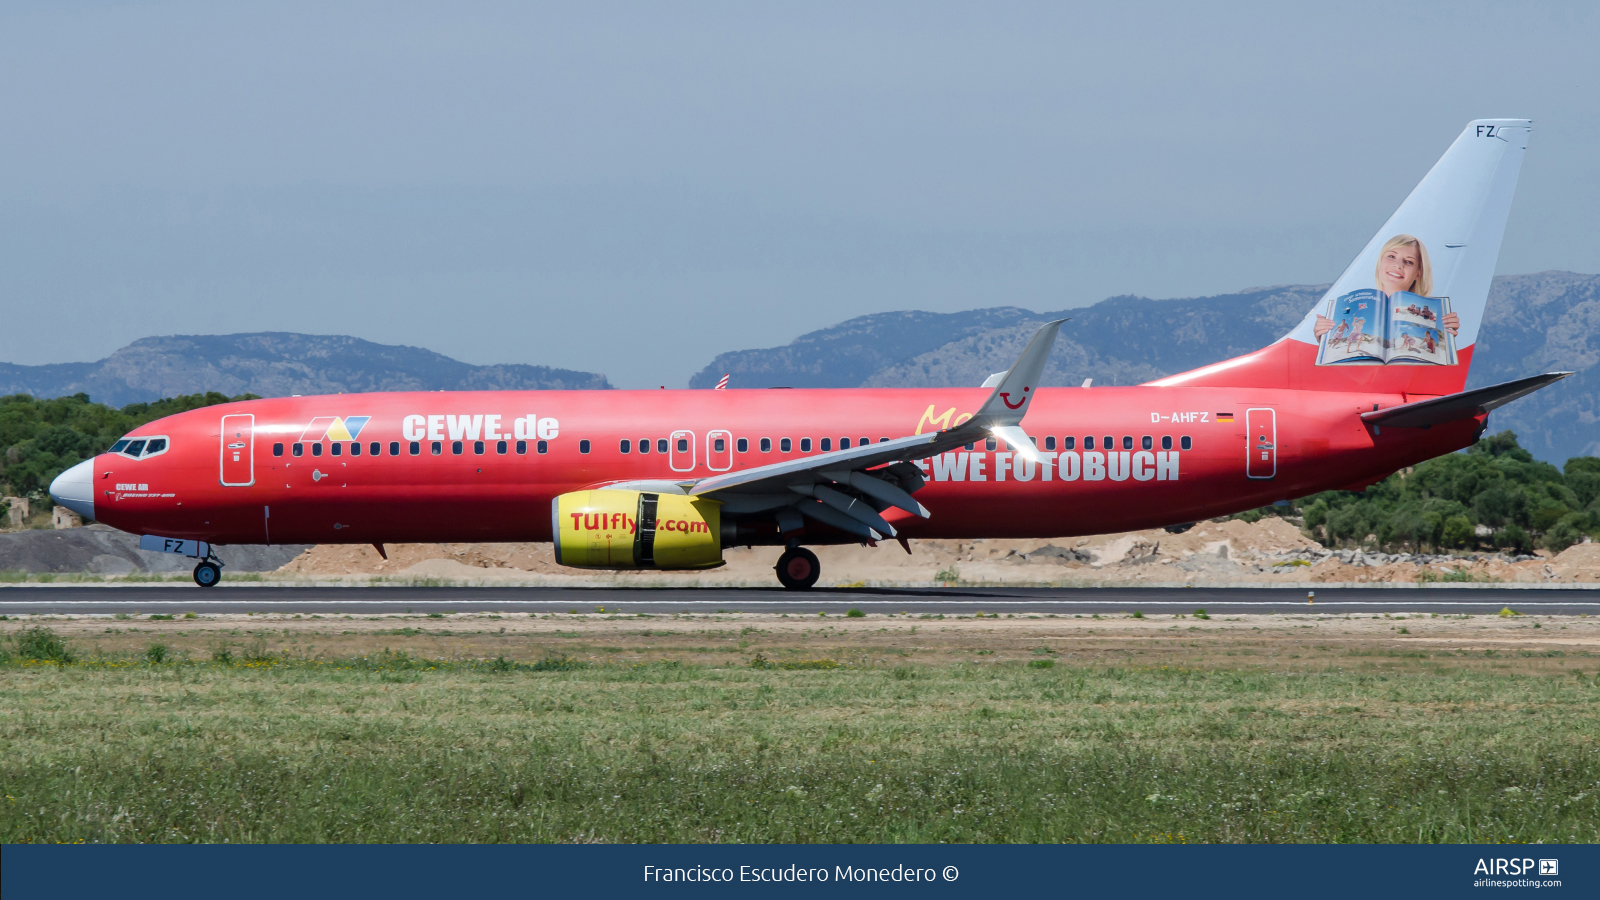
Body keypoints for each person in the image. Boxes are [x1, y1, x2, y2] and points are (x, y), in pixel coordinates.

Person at [1315, 235, 1459, 339]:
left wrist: (1447, 336)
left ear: (1418, 274)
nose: (1398, 265)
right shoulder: (1348, 309)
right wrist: (1323, 339)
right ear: (1380, 263)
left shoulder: (1434, 316)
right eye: (1391, 256)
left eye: (1409, 262)